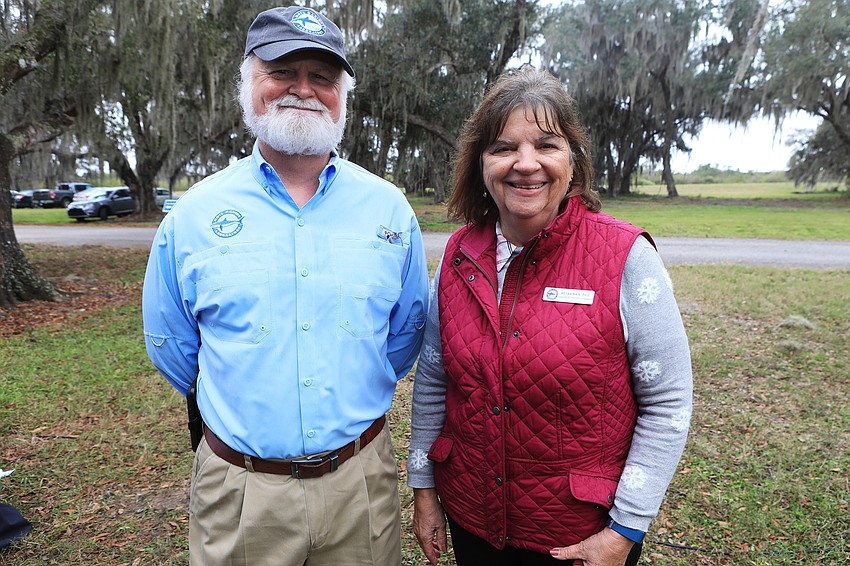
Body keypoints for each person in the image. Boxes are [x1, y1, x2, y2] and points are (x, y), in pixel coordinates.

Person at [142, 6, 429, 565]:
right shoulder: (194, 216)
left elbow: (403, 336)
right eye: (282, 71)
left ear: (343, 94)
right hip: (242, 490)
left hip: (360, 483)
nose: (303, 89)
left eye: (321, 77)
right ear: (247, 84)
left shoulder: (389, 209)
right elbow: (173, 346)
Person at [407, 68, 693, 566]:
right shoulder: (457, 254)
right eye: (503, 148)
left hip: (582, 540)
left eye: (546, 144)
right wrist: (425, 491)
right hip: (473, 522)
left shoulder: (625, 256)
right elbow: (434, 381)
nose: (525, 164)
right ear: (480, 163)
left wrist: (624, 529)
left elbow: (667, 403)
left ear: (573, 159)